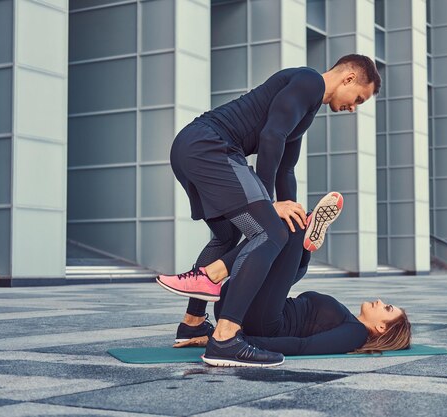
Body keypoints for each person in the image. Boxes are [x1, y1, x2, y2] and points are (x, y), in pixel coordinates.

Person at [157, 54, 382, 367]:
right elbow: (270, 137)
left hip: (191, 147)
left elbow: (285, 169)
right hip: (211, 145)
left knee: (227, 236)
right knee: (269, 231)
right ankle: (224, 339)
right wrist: (269, 204)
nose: (353, 107)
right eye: (358, 98)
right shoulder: (309, 81)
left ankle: (192, 322)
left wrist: (297, 221)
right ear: (348, 78)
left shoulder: (307, 105)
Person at [167, 203, 411, 367]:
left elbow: (303, 346)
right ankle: (304, 248)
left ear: (381, 328)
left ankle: (213, 273)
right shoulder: (346, 319)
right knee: (285, 228)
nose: (381, 301)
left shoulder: (354, 334)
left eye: (387, 308)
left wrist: (238, 339)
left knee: (289, 227)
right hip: (242, 307)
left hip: (261, 323)